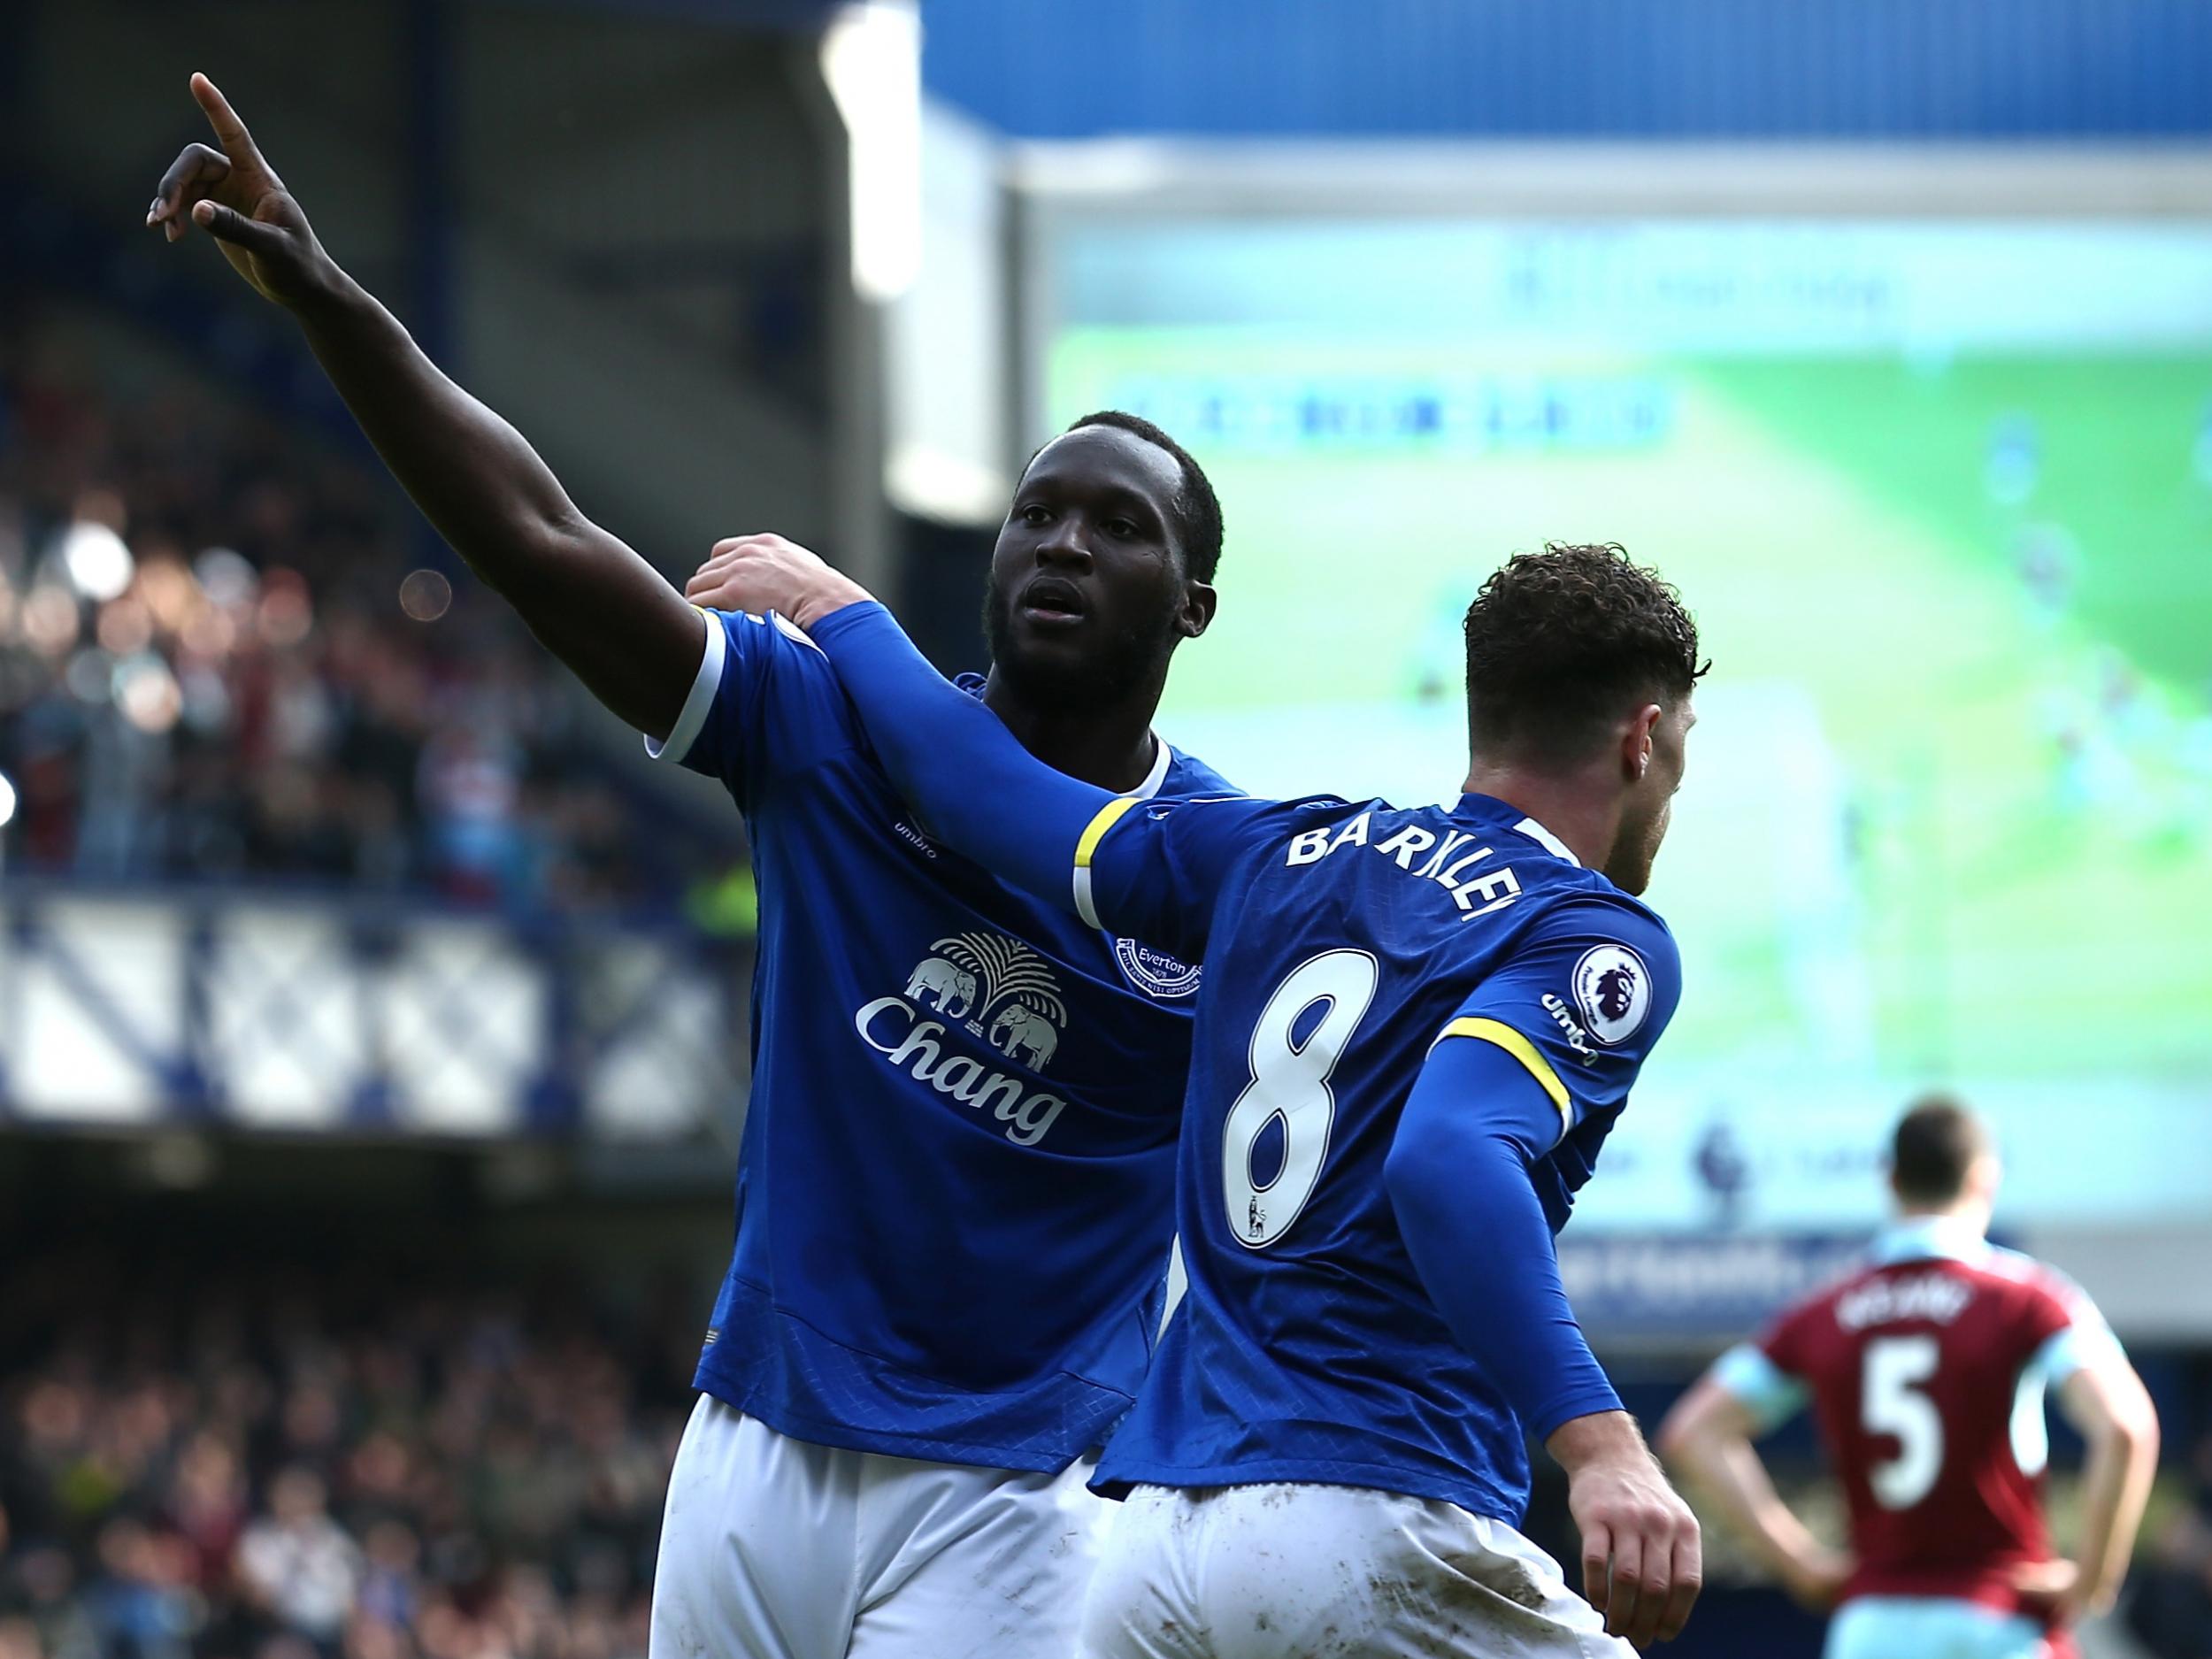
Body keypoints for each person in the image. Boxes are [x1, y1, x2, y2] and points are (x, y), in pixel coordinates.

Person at [149, 73, 1237, 1659]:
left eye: (1120, 529)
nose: (1065, 544)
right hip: (758, 1447)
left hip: (1027, 1488)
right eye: (1037, 513)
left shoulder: (1212, 870)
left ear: (1194, 605)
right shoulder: (828, 726)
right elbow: (539, 536)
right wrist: (327, 294)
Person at [697, 535, 1708, 1655]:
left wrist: (843, 612)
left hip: (1155, 1547)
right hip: (1372, 1508)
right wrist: (1600, 1444)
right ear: (1644, 737)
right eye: (1681, 749)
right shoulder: (1588, 933)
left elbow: (979, 794)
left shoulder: (1287, 850)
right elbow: (1450, 1154)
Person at [1657, 1097, 2161, 1659]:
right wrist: (2092, 1579)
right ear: (1984, 1178)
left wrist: (1799, 1561)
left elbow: (1693, 1432)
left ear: (1890, 1179)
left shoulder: (1825, 1309)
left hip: (1871, 1628)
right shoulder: (2027, 1299)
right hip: (1997, 1619)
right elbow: (2124, 1426)